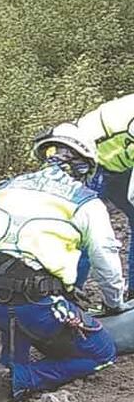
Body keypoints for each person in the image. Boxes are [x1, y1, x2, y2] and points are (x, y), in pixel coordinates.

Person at [0, 124, 122, 402]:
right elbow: (106, 257)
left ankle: (10, 361)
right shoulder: (86, 202)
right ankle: (21, 377)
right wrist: (114, 303)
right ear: (83, 164)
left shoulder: (8, 187)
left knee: (16, 309)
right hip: (30, 303)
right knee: (102, 353)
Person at [71, 94, 134, 293]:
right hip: (86, 158)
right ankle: (68, 294)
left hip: (115, 161)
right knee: (85, 229)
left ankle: (132, 292)